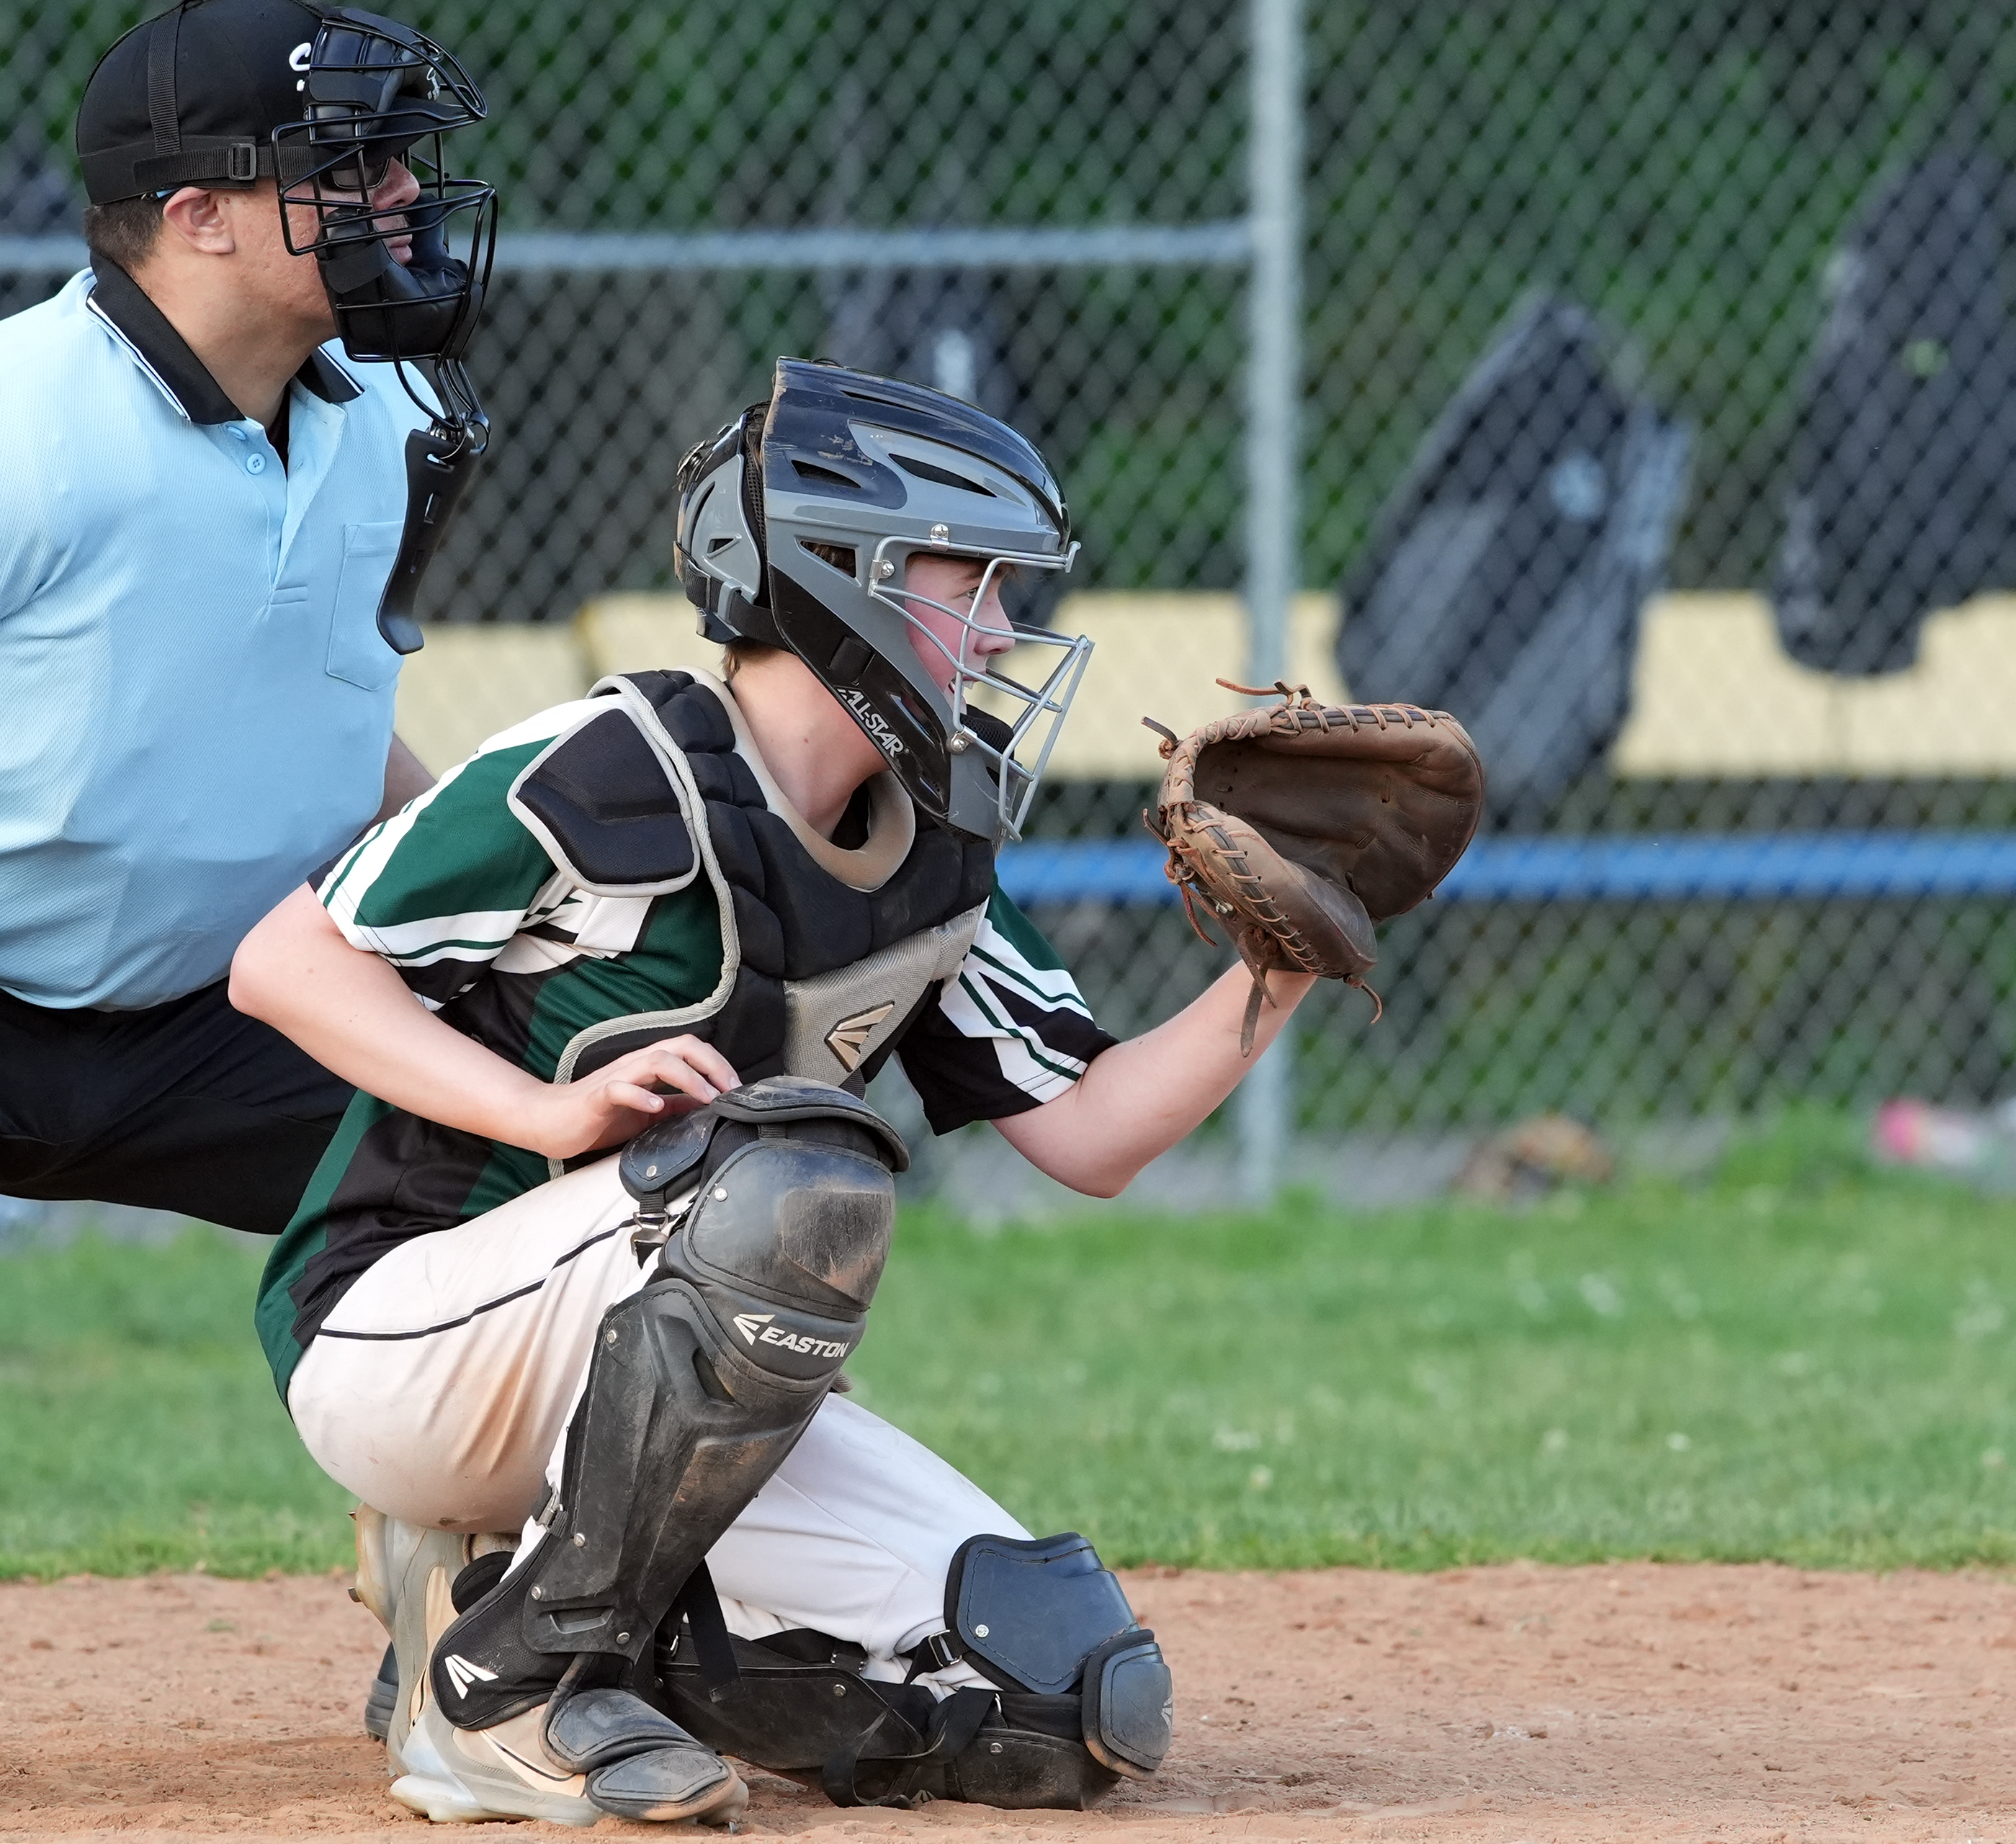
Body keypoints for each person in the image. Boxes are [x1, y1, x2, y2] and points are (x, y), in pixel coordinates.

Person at [229, 359, 1314, 1825]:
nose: (1006, 628)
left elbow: (1093, 1128)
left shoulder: (931, 842)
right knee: (790, 1189)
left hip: (647, 1375)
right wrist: (546, 1117)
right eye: (975, 582)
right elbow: (286, 965)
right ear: (841, 573)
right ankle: (504, 1692)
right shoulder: (614, 765)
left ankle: (480, 1590)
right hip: (399, 1335)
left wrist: (1284, 966)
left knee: (1066, 1693)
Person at [0, 0, 493, 1236]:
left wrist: (523, 874)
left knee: (599, 1168)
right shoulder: (26, 422)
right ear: (199, 216)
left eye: (398, 158)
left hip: (235, 1010)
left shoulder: (392, 410)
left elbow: (330, 708)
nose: (400, 192)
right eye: (351, 166)